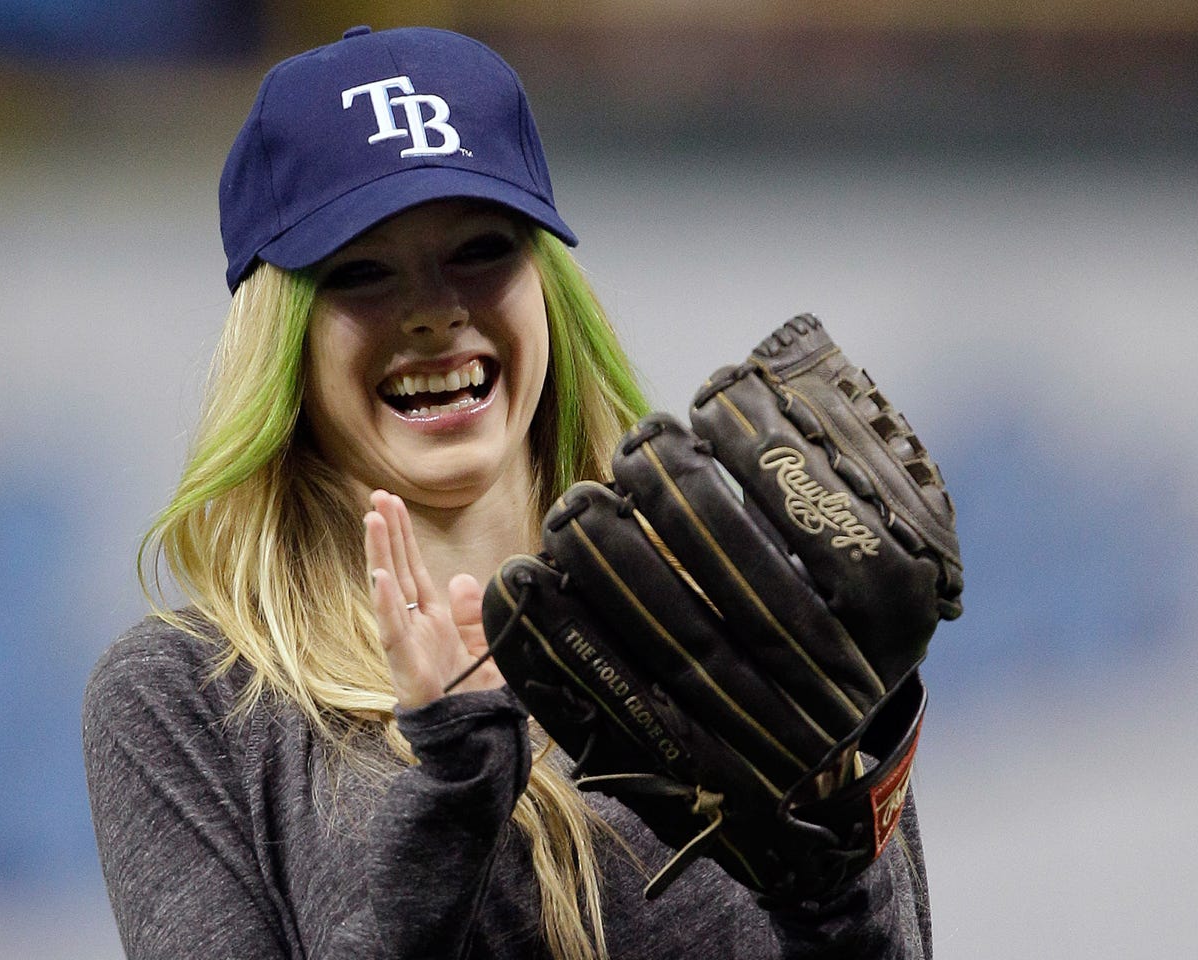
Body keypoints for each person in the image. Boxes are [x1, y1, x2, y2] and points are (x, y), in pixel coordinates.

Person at [82, 25, 933, 959]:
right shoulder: (191, 699)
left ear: (547, 290)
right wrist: (453, 794)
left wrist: (830, 876)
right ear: (283, 344)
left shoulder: (734, 610)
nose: (435, 310)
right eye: (360, 271)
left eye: (482, 248)